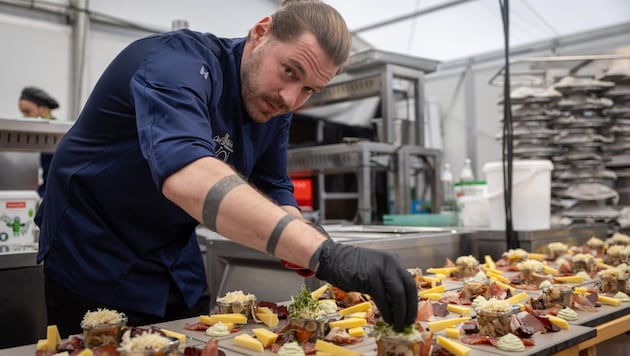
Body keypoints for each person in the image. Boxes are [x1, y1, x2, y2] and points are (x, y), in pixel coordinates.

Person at [35, 0, 417, 337]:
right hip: (95, 250)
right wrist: (326, 255)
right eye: (289, 71)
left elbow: (273, 183)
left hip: (173, 255)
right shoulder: (178, 63)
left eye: (309, 91)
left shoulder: (275, 105)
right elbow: (188, 175)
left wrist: (302, 240)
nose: (290, 99)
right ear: (261, 31)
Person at [18, 86, 59, 198]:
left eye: (28, 112)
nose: (24, 117)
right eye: (23, 113)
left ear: (44, 110)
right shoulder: (33, 137)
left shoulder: (56, 138)